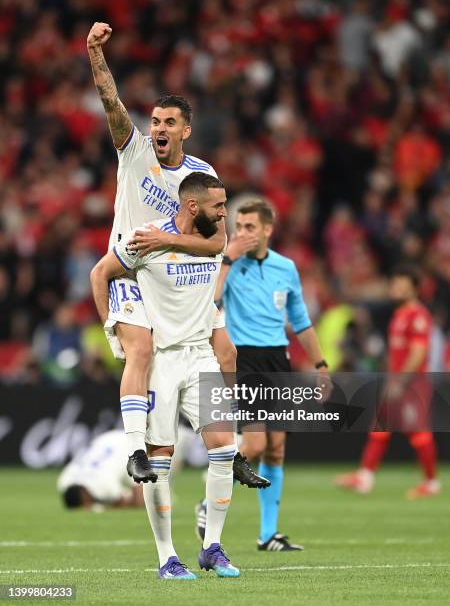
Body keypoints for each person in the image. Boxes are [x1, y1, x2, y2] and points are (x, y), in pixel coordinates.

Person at [87, 22, 239, 484]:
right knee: (142, 350)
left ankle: (232, 443)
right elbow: (112, 103)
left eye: (169, 122)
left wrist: (169, 242)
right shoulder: (133, 152)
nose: (159, 128)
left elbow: (217, 242)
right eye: (155, 121)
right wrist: (95, 52)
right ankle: (136, 449)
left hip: (177, 278)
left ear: (186, 130)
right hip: (130, 272)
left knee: (226, 351)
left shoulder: (201, 174)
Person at [91, 172, 240, 580]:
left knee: (225, 448)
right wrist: (114, 332)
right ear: (193, 206)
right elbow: (100, 274)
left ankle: (212, 547)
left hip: (200, 355)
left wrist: (167, 240)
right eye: (218, 206)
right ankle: (166, 558)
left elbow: (211, 244)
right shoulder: (145, 239)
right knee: (160, 460)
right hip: (163, 359)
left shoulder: (212, 237)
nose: (224, 212)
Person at [196, 198, 330, 552]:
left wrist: (320, 365)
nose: (242, 233)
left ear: (268, 229)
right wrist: (227, 258)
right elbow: (210, 300)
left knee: (276, 450)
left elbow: (300, 321)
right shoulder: (227, 263)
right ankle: (208, 504)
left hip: (278, 361)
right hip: (245, 361)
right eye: (238, 227)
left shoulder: (286, 268)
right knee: (254, 444)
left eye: (250, 227)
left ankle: (268, 534)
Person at [334, 266, 440, 499]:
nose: (396, 289)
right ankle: (365, 477)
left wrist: (401, 382)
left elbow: (418, 352)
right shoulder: (400, 314)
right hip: (397, 381)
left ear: (414, 289)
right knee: (380, 429)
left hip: (413, 384)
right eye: (395, 284)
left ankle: (431, 483)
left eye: (402, 285)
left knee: (418, 432)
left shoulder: (417, 315)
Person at [57, 430, 144, 510]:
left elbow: (123, 502)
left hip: (129, 445)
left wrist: (102, 507)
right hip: (104, 440)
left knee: (140, 501)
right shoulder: (64, 481)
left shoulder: (104, 485)